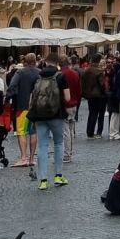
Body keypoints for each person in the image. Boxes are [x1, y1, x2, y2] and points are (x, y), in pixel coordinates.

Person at [28, 60, 70, 190]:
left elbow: (31, 99)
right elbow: (67, 98)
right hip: (56, 115)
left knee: (42, 145)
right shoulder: (61, 77)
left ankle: (43, 180)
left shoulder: (37, 77)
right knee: (58, 143)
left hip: (39, 116)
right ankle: (58, 175)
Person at [7, 54, 40, 167]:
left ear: (25, 61)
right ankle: (31, 158)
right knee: (33, 132)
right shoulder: (40, 72)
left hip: (22, 106)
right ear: (35, 61)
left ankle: (23, 158)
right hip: (36, 107)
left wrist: (8, 98)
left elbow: (12, 86)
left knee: (21, 132)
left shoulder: (20, 73)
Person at [80, 57, 107, 138]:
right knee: (95, 113)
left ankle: (89, 131)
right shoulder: (99, 71)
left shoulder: (87, 70)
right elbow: (102, 84)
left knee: (91, 113)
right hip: (97, 95)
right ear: (98, 62)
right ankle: (91, 132)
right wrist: (104, 92)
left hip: (89, 95)